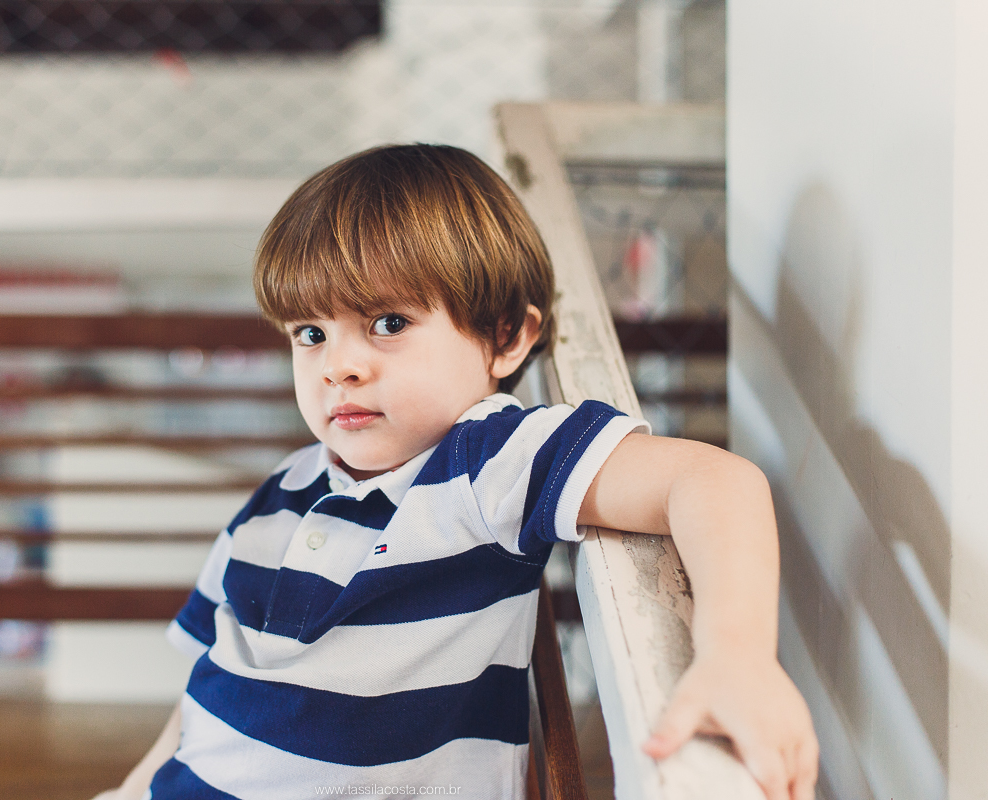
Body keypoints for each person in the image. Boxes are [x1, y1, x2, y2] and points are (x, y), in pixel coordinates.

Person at [104, 144, 818, 800]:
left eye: (388, 323)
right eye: (310, 334)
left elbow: (713, 482)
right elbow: (206, 686)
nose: (338, 366)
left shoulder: (487, 462)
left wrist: (738, 656)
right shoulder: (278, 493)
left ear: (507, 337)